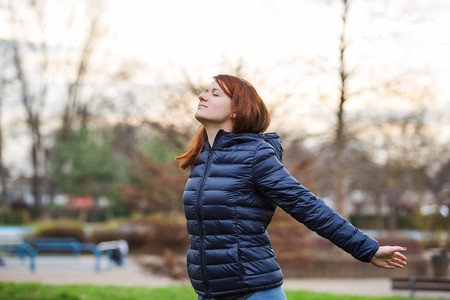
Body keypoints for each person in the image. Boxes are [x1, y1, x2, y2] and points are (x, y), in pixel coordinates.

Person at [176, 74, 407, 300]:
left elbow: (307, 206)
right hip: (210, 292)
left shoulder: (255, 156)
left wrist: (368, 249)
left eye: (214, 93)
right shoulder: (202, 158)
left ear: (237, 110)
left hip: (252, 291)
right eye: (205, 91)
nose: (202, 96)